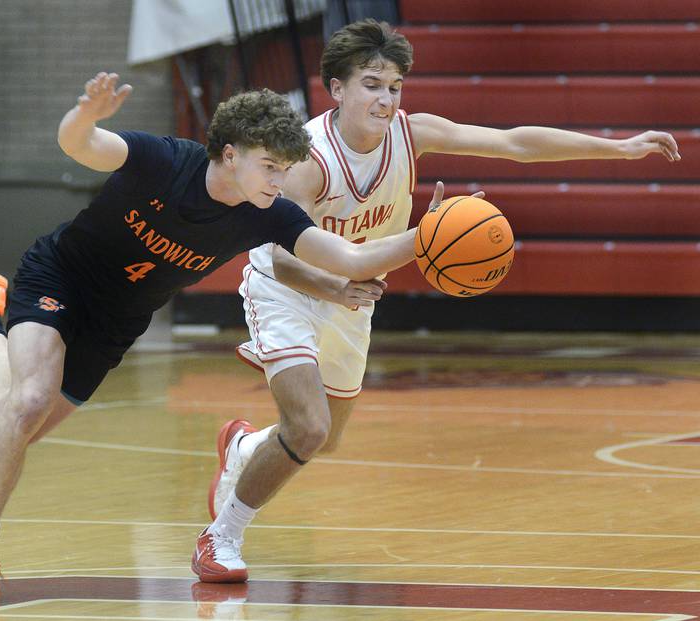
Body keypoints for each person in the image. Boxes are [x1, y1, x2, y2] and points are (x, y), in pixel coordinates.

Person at [0, 71, 445, 603]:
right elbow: (81, 145)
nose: (280, 182)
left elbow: (351, 257)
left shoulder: (266, 215)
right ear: (230, 154)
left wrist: (425, 235)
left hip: (119, 320)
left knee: (18, 427)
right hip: (63, 278)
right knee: (27, 404)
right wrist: (86, 114)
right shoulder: (165, 160)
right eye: (270, 167)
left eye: (286, 169)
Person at [199, 18, 682, 583]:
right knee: (306, 428)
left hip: (353, 296)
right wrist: (334, 285)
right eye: (372, 84)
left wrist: (621, 149)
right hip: (289, 286)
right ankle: (221, 537)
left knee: (323, 439)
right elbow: (277, 253)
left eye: (395, 86)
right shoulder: (308, 159)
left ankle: (244, 447)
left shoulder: (412, 132)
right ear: (336, 88)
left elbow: (515, 143)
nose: (386, 99)